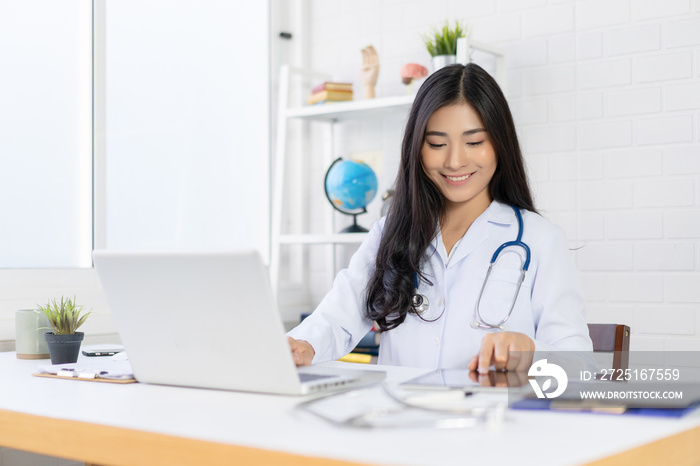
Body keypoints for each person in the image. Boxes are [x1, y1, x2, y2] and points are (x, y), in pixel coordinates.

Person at [287, 63, 592, 374]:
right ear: (417, 147)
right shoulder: (389, 232)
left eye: (474, 142)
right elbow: (338, 315)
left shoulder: (540, 240)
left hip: (491, 418)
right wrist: (303, 345)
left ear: (500, 144)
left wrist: (530, 351)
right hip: (400, 416)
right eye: (436, 144)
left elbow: (579, 363)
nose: (455, 161)